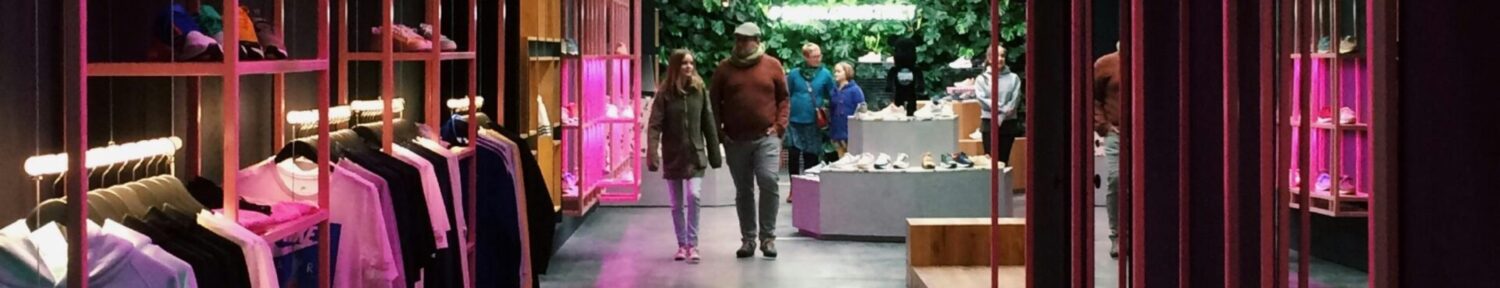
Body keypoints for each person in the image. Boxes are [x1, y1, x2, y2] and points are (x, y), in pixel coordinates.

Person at [709, 22, 789, 259]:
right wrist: (720, 133)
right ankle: (748, 239)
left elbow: (783, 99)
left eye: (746, 40)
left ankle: (768, 238)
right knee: (743, 190)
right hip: (735, 140)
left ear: (757, 40)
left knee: (768, 180)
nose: (741, 44)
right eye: (738, 40)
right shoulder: (724, 69)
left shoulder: (772, 65)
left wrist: (779, 126)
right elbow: (713, 103)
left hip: (766, 136)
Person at [648, 49, 723, 264]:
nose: (688, 66)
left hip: (695, 155)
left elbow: (708, 123)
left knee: (694, 195)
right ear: (675, 66)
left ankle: (693, 244)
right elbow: (654, 125)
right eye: (684, 63)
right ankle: (682, 245)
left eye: (691, 63)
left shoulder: (700, 90)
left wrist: (714, 154)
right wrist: (652, 153)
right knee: (676, 204)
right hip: (673, 155)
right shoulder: (665, 93)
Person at [784, 43, 836, 175]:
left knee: (811, 156)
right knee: (793, 155)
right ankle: (794, 185)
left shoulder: (825, 74)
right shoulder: (794, 74)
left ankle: (809, 185)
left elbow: (832, 95)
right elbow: (787, 95)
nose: (818, 59)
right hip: (794, 121)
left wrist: (826, 109)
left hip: (813, 121)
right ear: (806, 57)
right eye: (815, 57)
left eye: (819, 56)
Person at [1094, 43, 1123, 258]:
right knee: (1116, 179)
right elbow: (1094, 98)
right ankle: (1118, 235)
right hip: (1117, 134)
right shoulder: (1105, 63)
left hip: (1146, 135)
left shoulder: (1147, 60)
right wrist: (1103, 126)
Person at [973, 46, 1023, 162]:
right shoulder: (982, 79)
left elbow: (1015, 99)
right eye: (997, 56)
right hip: (989, 123)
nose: (1000, 59)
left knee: (1003, 161)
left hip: (1008, 124)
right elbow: (982, 100)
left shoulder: (1014, 78)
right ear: (989, 58)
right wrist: (1002, 109)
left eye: (1003, 56)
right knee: (990, 161)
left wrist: (1003, 114)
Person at [829, 62, 865, 157]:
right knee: (841, 157)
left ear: (847, 72)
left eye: (839, 71)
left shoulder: (855, 90)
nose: (835, 74)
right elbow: (832, 111)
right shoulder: (834, 90)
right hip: (837, 131)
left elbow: (862, 110)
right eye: (835, 71)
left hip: (851, 132)